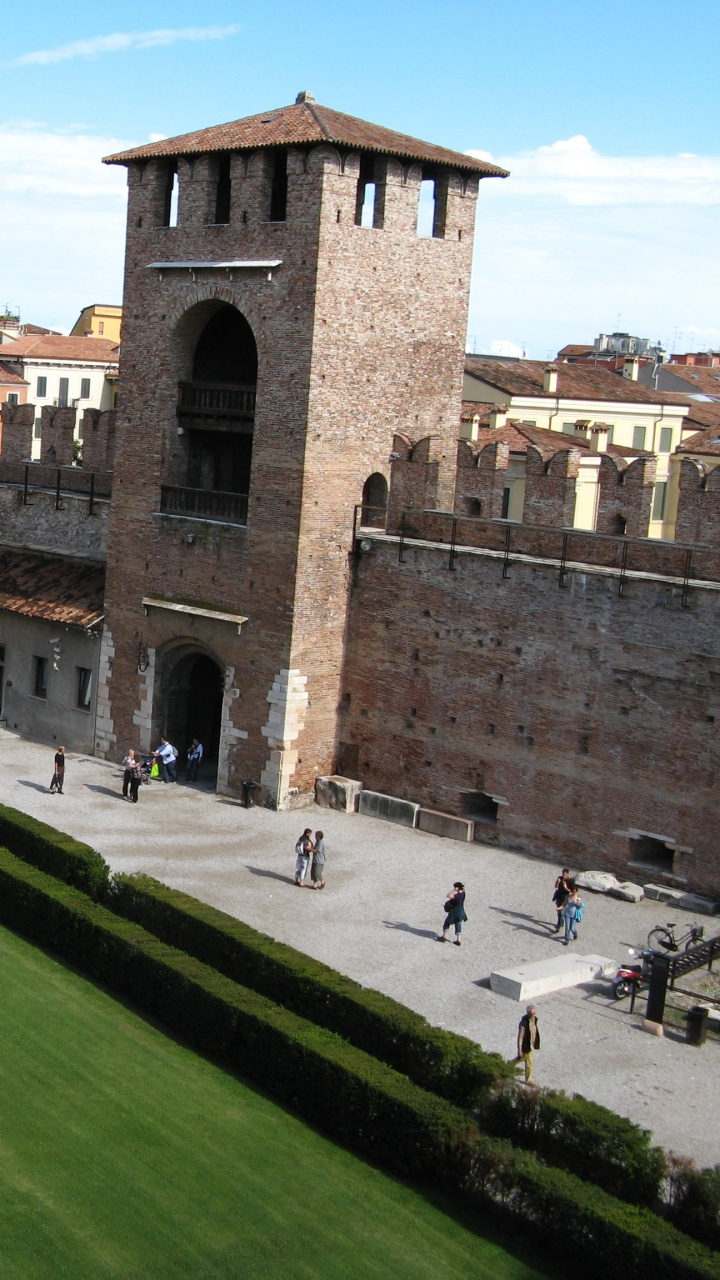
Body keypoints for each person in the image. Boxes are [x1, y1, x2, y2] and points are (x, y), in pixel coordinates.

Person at [436, 881, 467, 945]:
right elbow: (462, 890)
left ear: (457, 888)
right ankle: (458, 940)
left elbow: (448, 895)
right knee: (458, 925)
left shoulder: (457, 896)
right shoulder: (463, 893)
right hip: (461, 912)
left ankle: (444, 937)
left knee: (447, 923)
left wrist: (453, 890)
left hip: (455, 912)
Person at [516, 1005, 540, 1084]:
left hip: (531, 1045)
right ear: (528, 1013)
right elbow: (520, 1037)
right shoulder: (523, 1023)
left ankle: (507, 1066)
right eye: (532, 1013)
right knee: (529, 1062)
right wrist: (519, 1049)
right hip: (526, 1046)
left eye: (534, 1013)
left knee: (521, 1058)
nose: (534, 1015)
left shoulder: (534, 1020)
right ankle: (528, 1080)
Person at [552, 868, 570, 933]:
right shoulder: (560, 878)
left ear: (568, 874)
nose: (563, 876)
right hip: (559, 896)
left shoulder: (569, 881)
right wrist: (557, 882)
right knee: (559, 912)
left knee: (561, 912)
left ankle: (558, 926)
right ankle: (561, 922)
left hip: (565, 897)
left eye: (565, 874)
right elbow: (555, 886)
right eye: (563, 874)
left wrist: (566, 887)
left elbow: (571, 891)